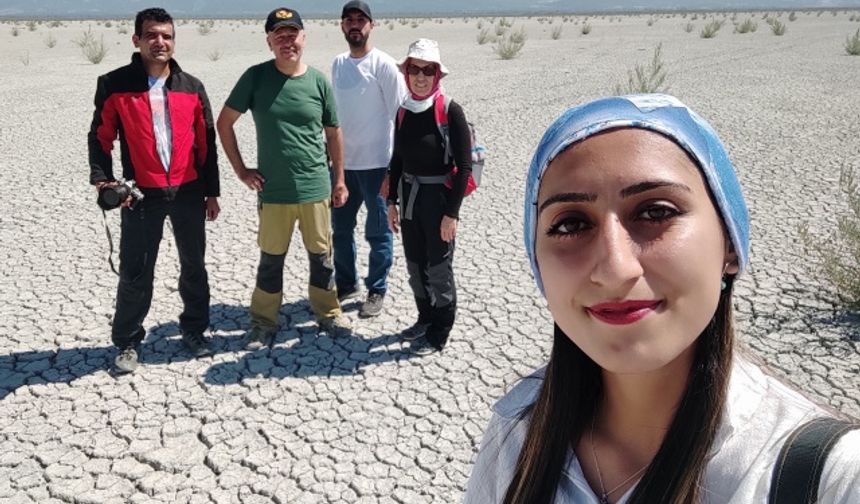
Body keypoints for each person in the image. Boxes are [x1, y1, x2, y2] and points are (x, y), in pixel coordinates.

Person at [464, 95, 860, 503]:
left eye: (655, 212)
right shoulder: (519, 427)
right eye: (571, 223)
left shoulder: (829, 477)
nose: (615, 268)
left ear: (728, 244)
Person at [88, 7, 220, 374]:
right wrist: (104, 180)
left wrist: (212, 192)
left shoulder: (192, 88)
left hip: (189, 191)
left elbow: (206, 144)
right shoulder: (115, 84)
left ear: (173, 41)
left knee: (194, 267)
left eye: (166, 36)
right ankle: (128, 341)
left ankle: (194, 330)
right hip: (140, 194)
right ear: (137, 40)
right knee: (136, 271)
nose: (160, 42)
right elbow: (100, 137)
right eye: (152, 35)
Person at [217, 7, 351, 349]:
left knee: (321, 258)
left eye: (293, 34)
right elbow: (224, 123)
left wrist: (339, 180)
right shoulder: (256, 77)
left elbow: (333, 134)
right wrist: (241, 170)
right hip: (274, 191)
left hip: (315, 189)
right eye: (279, 35)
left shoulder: (318, 81)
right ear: (269, 42)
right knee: (271, 260)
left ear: (303, 38)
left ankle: (328, 313)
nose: (287, 41)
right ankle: (263, 322)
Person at [386, 39, 471, 353]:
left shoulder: (450, 110)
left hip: (438, 202)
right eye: (414, 69)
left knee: (438, 268)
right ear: (406, 72)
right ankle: (424, 318)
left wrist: (452, 213)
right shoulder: (404, 111)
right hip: (409, 198)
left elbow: (463, 167)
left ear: (438, 74)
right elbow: (397, 160)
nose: (420, 76)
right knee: (415, 263)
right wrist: (391, 202)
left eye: (427, 70)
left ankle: (440, 332)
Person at [331, 0, 407, 318]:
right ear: (342, 26)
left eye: (361, 19)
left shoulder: (384, 65)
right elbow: (334, 115)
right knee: (340, 229)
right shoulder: (337, 64)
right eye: (349, 20)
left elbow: (400, 117)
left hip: (378, 165)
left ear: (371, 25)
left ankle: (376, 290)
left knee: (378, 232)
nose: (354, 25)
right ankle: (346, 285)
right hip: (344, 166)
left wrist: (395, 168)